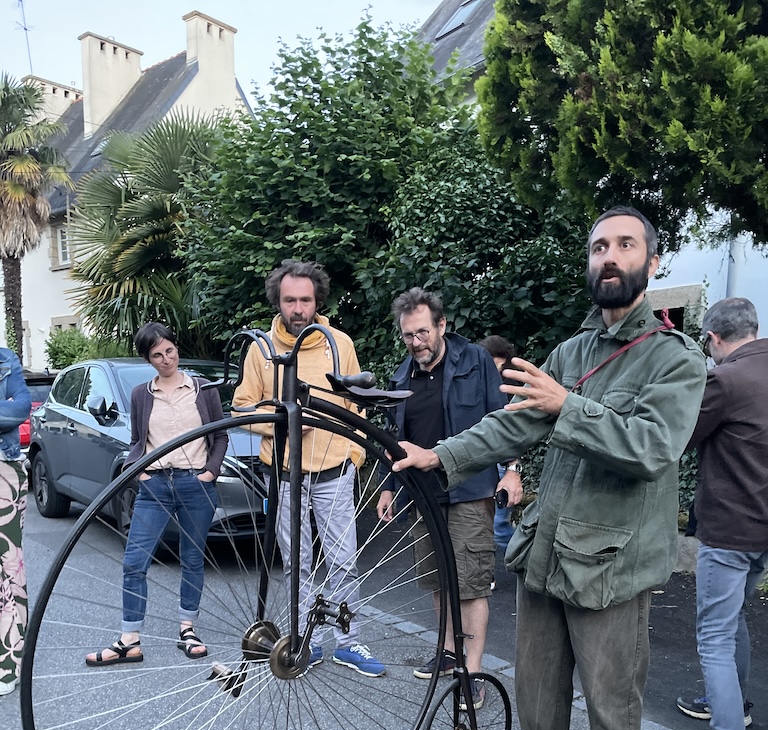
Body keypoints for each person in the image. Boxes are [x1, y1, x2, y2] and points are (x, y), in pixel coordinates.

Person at [389, 208, 707, 730]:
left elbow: (653, 449)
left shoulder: (675, 358)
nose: (609, 256)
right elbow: (511, 426)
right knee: (539, 673)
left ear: (652, 262)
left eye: (625, 244)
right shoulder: (570, 353)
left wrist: (569, 406)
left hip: (613, 561)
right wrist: (439, 456)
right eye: (599, 246)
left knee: (612, 693)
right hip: (547, 545)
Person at [232, 259, 385, 677]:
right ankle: (305, 641)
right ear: (277, 301)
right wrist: (282, 424)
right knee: (296, 563)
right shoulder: (262, 350)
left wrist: (354, 456)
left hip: (334, 472)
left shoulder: (339, 344)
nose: (298, 309)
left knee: (343, 561)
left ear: (317, 301)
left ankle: (348, 642)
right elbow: (242, 409)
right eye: (289, 300)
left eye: (305, 300)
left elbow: (357, 404)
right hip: (285, 475)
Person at [376, 288, 504, 703]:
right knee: (436, 578)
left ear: (442, 326)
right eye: (408, 335)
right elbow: (395, 439)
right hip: (422, 494)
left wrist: (513, 471)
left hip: (469, 489)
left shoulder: (475, 361)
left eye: (423, 332)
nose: (417, 342)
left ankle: (474, 672)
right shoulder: (401, 377)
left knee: (470, 584)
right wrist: (388, 487)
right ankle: (449, 654)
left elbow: (503, 421)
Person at [86, 324, 227, 666]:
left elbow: (220, 435)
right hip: (156, 486)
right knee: (135, 561)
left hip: (196, 483)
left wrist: (210, 472)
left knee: (192, 559)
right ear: (147, 359)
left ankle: (187, 630)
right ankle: (129, 640)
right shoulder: (141, 394)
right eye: (157, 355)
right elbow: (138, 441)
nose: (166, 359)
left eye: (169, 351)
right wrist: (141, 474)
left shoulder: (202, 389)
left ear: (176, 348)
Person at [676, 297, 768, 730]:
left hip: (730, 528)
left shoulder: (726, 380)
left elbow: (679, 437)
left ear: (712, 339)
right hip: (762, 532)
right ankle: (734, 706)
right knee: (732, 621)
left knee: (713, 635)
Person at [0, 347, 32, 696]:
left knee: (9, 567)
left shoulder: (5, 360)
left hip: (4, 471)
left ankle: (9, 663)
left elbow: (21, 408)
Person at [477, 335, 524, 550]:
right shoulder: (481, 381)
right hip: (486, 457)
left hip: (503, 458)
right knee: (488, 525)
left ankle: (524, 559)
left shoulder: (509, 385)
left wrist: (512, 467)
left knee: (498, 526)